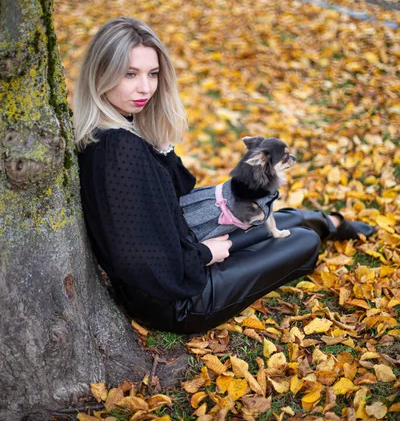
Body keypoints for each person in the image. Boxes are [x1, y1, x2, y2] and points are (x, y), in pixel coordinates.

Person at [74, 17, 375, 335]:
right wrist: (205, 255)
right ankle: (326, 226)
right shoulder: (118, 147)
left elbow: (175, 191)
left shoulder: (118, 126)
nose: (145, 88)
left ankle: (331, 222)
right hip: (179, 300)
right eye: (129, 74)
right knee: (304, 241)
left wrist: (162, 148)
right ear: (101, 73)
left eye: (153, 74)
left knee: (275, 222)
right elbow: (133, 259)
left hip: (182, 250)